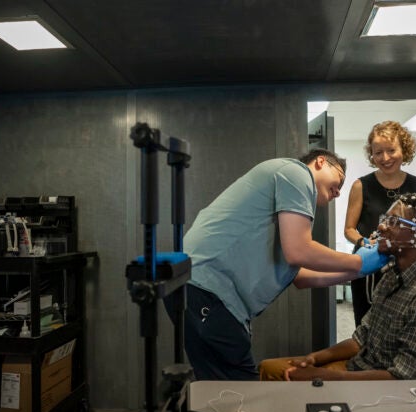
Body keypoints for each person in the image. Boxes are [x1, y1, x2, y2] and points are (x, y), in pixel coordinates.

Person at [166, 148, 391, 380]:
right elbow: (299, 251)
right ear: (321, 162)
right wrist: (356, 261)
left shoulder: (284, 200)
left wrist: (357, 271)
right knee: (239, 393)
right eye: (339, 180)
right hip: (206, 290)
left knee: (219, 390)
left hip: (197, 290)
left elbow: (301, 277)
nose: (338, 192)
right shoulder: (296, 173)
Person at [260, 193, 416, 381]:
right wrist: (315, 358)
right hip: (358, 368)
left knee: (281, 376)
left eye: (393, 222)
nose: (381, 228)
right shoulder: (391, 275)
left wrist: (323, 377)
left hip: (388, 390)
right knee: (268, 367)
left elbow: (403, 377)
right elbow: (361, 339)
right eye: (384, 220)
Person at [344, 121, 416, 327]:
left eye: (391, 150)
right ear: (371, 155)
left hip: (404, 268)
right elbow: (349, 229)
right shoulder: (360, 185)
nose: (385, 158)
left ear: (404, 150)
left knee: (402, 325)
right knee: (365, 327)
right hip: (368, 268)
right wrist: (365, 243)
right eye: (378, 152)